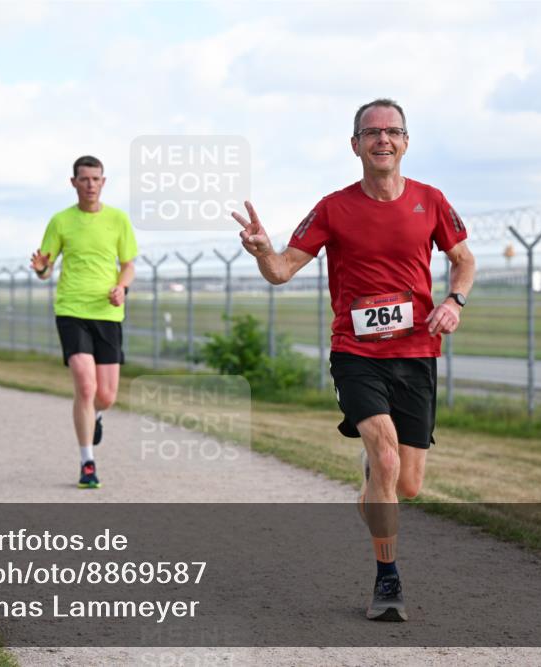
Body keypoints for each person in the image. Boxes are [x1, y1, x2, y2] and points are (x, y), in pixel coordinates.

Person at [233, 98, 475, 622]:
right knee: (387, 460)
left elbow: (463, 260)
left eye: (392, 131)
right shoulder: (333, 208)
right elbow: (281, 271)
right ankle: (388, 580)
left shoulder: (431, 201)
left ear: (406, 142)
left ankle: (375, 473)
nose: (382, 140)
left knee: (405, 484)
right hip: (356, 353)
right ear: (355, 145)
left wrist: (454, 302)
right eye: (371, 132)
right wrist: (261, 250)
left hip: (416, 354)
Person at [31, 155, 137, 489]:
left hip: (107, 313)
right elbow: (46, 269)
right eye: (84, 179)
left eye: (96, 179)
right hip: (71, 310)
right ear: (73, 182)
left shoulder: (118, 220)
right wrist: (40, 269)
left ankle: (98, 416)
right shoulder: (61, 221)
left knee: (105, 396)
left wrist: (122, 287)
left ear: (103, 182)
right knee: (85, 385)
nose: (90, 184)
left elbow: (128, 264)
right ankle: (87, 462)